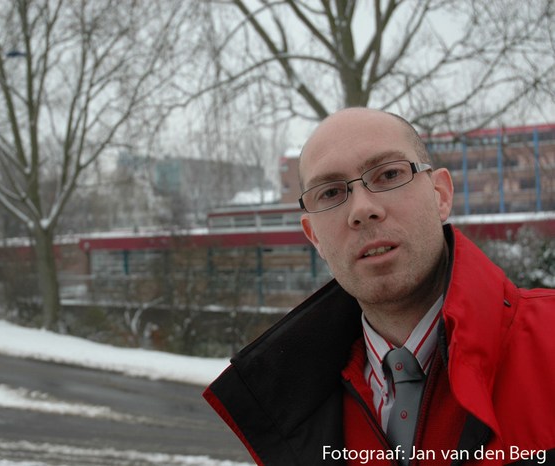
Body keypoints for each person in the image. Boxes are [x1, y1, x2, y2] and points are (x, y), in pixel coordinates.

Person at [203, 108, 555, 465]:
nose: (362, 208)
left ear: (440, 196)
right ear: (314, 237)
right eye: (330, 193)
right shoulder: (287, 415)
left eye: (389, 174)